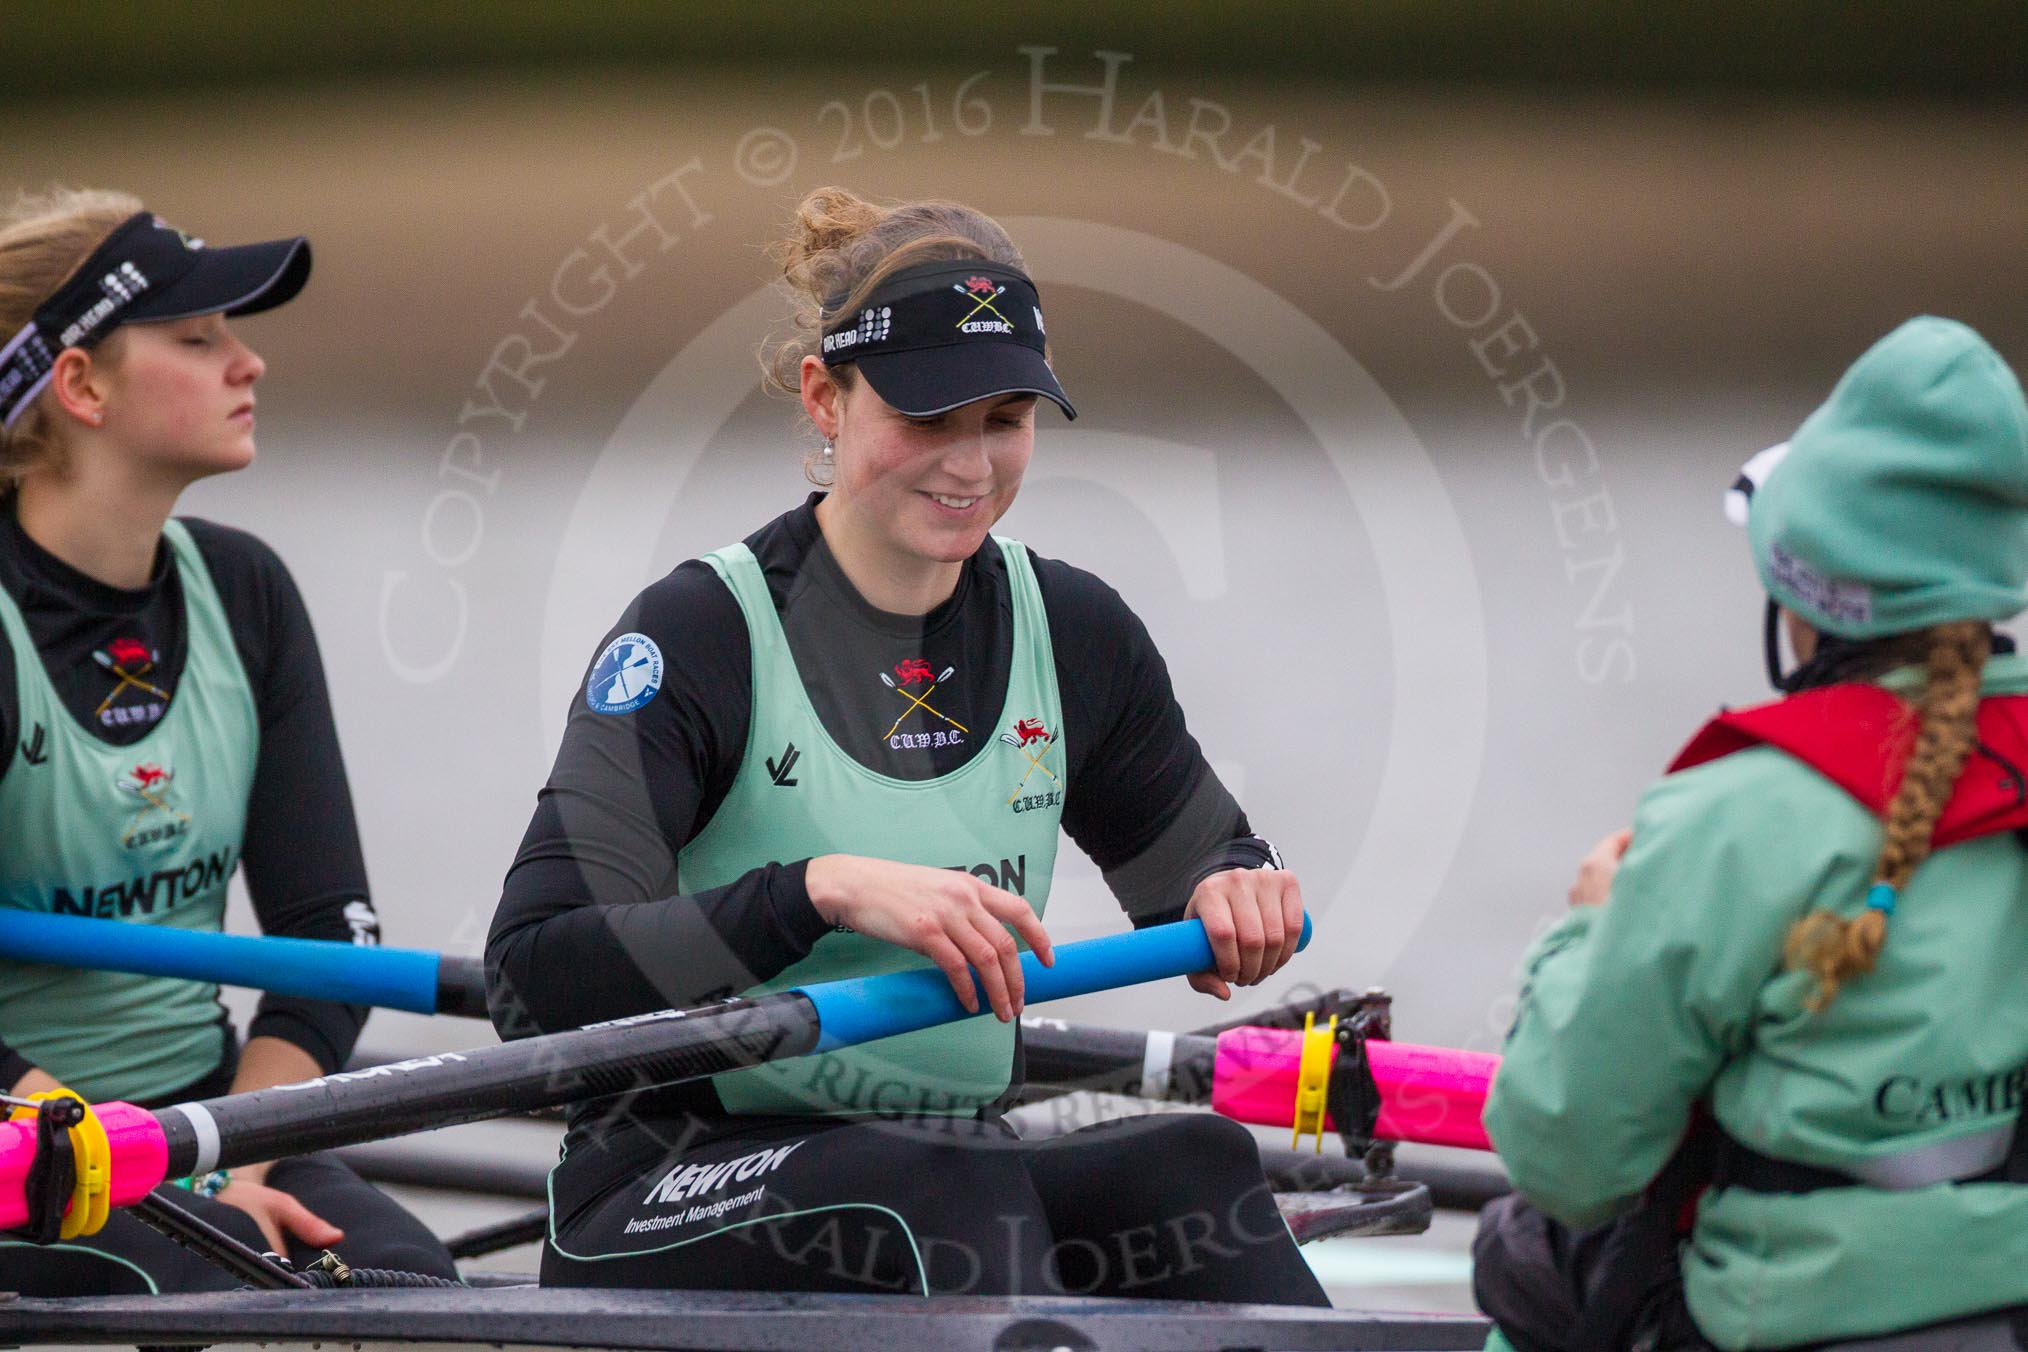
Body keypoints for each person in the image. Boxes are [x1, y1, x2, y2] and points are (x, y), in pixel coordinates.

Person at [488, 187, 1325, 1302]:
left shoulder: (1071, 629)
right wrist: (818, 891)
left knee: (1197, 1167)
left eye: (1005, 418)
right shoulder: (696, 634)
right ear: (825, 398)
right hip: (667, 1177)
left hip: (943, 1159)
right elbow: (531, 974)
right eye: (929, 419)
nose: (971, 465)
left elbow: (1202, 874)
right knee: (943, 1184)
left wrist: (1237, 893)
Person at [1473, 317, 2028, 1350]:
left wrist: (1590, 928)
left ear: (1802, 588)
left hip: (1786, 1324)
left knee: (1519, 1256)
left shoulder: (1735, 820)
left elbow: (1568, 1154)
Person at [0, 189, 455, 1289]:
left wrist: (222, 1152)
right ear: (80, 384)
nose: (248, 364)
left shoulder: (245, 590)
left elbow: (328, 936)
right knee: (246, 1266)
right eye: (199, 338)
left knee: (410, 1281)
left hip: (203, 1125)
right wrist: (146, 1163)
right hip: (28, 1136)